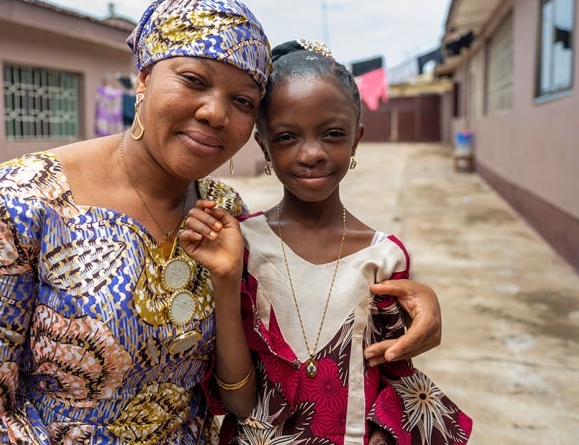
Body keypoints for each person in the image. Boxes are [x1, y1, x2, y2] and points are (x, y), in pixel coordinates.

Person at [0, 0, 442, 444]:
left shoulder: (222, 216)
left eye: (243, 100)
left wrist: (418, 302)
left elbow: (283, 341)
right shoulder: (19, 203)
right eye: (194, 80)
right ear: (142, 76)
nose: (214, 112)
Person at [179, 40, 473, 444]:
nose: (312, 154)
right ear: (264, 146)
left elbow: (392, 373)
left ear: (356, 139)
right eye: (286, 137)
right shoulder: (240, 244)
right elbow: (239, 402)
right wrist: (227, 280)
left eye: (332, 134)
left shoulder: (384, 257)